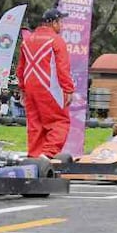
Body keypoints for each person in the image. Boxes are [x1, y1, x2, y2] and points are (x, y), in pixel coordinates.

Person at [16, 8, 76, 157]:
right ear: (53, 23)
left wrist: (22, 89)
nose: (62, 25)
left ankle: (34, 157)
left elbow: (20, 68)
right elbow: (63, 68)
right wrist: (68, 89)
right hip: (50, 88)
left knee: (35, 125)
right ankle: (48, 154)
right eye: (60, 22)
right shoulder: (56, 41)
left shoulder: (27, 41)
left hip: (30, 89)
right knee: (60, 122)